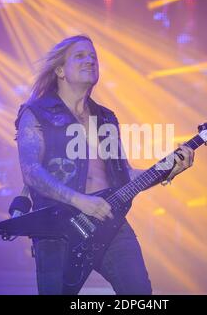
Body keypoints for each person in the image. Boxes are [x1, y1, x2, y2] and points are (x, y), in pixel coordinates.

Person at [15, 35, 194, 295]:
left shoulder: (106, 118)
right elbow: (31, 172)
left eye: (93, 56)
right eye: (80, 56)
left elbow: (125, 174)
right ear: (60, 70)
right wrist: (80, 200)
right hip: (57, 226)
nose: (90, 60)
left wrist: (168, 170)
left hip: (109, 221)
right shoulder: (36, 113)